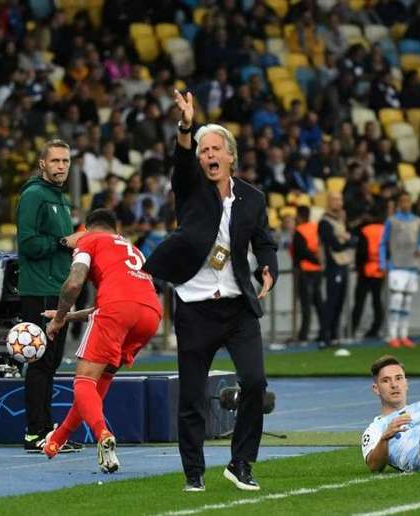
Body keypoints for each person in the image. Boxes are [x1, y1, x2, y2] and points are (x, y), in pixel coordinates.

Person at [142, 90, 278, 492]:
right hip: (195, 308)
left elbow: (263, 239)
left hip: (238, 307)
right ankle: (193, 473)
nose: (208, 155)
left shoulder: (252, 198)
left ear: (231, 156)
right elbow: (181, 161)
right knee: (192, 398)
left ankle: (241, 464)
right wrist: (186, 126)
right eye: (203, 150)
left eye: (216, 149)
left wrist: (268, 267)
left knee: (254, 383)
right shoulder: (189, 188)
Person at [40, 209, 162, 473]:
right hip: (150, 314)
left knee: (83, 381)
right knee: (97, 381)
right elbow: (121, 301)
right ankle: (58, 440)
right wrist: (70, 316)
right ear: (115, 229)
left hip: (118, 309)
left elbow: (73, 285)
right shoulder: (131, 248)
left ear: (87, 228)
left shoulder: (89, 241)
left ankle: (102, 434)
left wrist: (59, 318)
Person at [16, 138, 82, 451]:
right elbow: (27, 244)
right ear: (42, 163)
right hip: (39, 290)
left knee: (50, 363)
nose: (60, 167)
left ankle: (44, 429)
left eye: (65, 161)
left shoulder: (59, 198)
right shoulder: (33, 196)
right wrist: (63, 242)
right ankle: (35, 432)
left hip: (57, 290)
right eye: (55, 161)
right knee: (41, 362)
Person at [380, 191, 420, 349]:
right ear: (399, 203)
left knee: (407, 302)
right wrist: (383, 263)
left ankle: (403, 335)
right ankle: (392, 336)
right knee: (396, 301)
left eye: (408, 201)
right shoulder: (391, 221)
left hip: (411, 265)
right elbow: (383, 243)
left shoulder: (418, 221)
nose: (406, 204)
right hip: (397, 265)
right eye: (403, 201)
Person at [318, 192, 354, 349]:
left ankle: (334, 335)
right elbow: (335, 245)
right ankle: (324, 336)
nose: (339, 203)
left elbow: (350, 238)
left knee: (339, 301)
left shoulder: (341, 220)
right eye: (336, 200)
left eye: (340, 199)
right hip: (333, 266)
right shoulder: (325, 223)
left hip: (343, 264)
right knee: (332, 301)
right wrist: (349, 241)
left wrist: (348, 240)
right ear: (329, 202)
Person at [291, 205, 324, 345]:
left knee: (306, 305)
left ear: (299, 215)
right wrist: (319, 260)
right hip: (317, 270)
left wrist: (313, 259)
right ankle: (324, 332)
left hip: (305, 270)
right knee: (318, 303)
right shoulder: (316, 228)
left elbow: (301, 252)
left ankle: (303, 334)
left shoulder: (299, 231)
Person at [351, 210, 386, 340]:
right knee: (377, 301)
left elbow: (361, 252)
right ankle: (375, 329)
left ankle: (352, 328)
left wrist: (358, 266)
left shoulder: (365, 230)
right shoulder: (384, 229)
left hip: (366, 270)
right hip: (380, 269)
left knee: (359, 301)